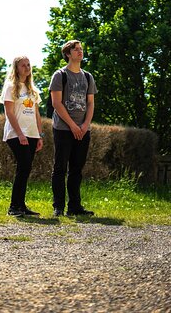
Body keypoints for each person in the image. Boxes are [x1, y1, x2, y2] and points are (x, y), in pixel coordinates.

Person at [49, 40, 97, 217]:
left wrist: (84, 126)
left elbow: (91, 103)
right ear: (68, 54)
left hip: (83, 130)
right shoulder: (60, 75)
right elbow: (56, 103)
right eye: (76, 49)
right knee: (60, 167)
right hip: (63, 128)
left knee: (77, 168)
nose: (80, 52)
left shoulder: (88, 77)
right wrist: (72, 125)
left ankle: (75, 206)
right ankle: (58, 206)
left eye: (81, 49)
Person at [2, 56, 44, 217]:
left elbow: (37, 114)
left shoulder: (32, 89)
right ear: (16, 68)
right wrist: (20, 133)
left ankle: (21, 205)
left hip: (32, 134)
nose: (27, 67)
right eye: (23, 65)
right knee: (23, 167)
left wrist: (40, 136)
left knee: (25, 169)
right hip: (16, 134)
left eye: (28, 65)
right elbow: (9, 112)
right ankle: (13, 207)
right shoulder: (11, 87)